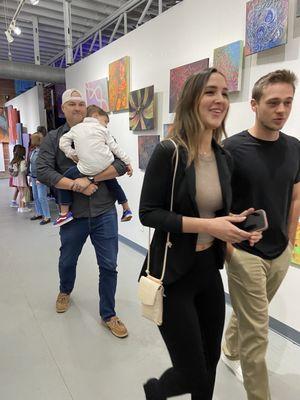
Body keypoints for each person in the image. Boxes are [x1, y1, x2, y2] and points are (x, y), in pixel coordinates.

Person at [139, 68, 262, 400]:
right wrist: (209, 226)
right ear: (192, 99)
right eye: (210, 91)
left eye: (224, 93)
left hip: (208, 271)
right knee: (192, 372)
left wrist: (235, 226)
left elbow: (215, 214)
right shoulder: (170, 152)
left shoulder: (224, 157)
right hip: (174, 275)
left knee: (209, 363)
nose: (219, 99)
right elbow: (148, 213)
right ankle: (156, 390)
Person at [221, 70, 300, 400]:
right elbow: (214, 205)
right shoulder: (231, 149)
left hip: (279, 252)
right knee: (258, 332)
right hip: (244, 253)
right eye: (273, 103)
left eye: (288, 102)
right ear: (254, 105)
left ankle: (228, 348)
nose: (281, 110)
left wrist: (290, 240)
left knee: (250, 314)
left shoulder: (295, 147)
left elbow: (295, 196)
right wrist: (229, 249)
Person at [36, 88, 129, 338]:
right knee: (68, 260)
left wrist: (91, 178)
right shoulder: (55, 138)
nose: (77, 108)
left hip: (104, 212)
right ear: (63, 109)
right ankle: (65, 291)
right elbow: (42, 170)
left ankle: (108, 314)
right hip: (73, 216)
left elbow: (120, 164)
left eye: (81, 104)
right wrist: (75, 185)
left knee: (109, 265)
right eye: (72, 104)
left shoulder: (100, 131)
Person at [55, 104, 133, 227]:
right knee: (113, 183)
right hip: (106, 165)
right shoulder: (103, 130)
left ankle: (64, 213)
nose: (106, 124)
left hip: (85, 168)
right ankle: (126, 208)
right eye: (105, 121)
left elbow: (63, 143)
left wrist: (72, 154)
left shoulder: (76, 129)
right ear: (95, 116)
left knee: (63, 180)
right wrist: (127, 162)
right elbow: (115, 148)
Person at [28, 132, 51, 225]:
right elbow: (31, 164)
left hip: (40, 178)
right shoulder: (34, 151)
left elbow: (45, 165)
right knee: (36, 196)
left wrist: (40, 178)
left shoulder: (42, 152)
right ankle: (39, 213)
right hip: (33, 177)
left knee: (42, 197)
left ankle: (47, 216)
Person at [9, 145, 31, 213]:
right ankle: (23, 207)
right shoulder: (22, 161)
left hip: (16, 179)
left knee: (21, 193)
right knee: (24, 193)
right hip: (22, 179)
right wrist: (27, 167)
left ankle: (20, 207)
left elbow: (12, 169)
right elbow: (23, 170)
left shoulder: (13, 161)